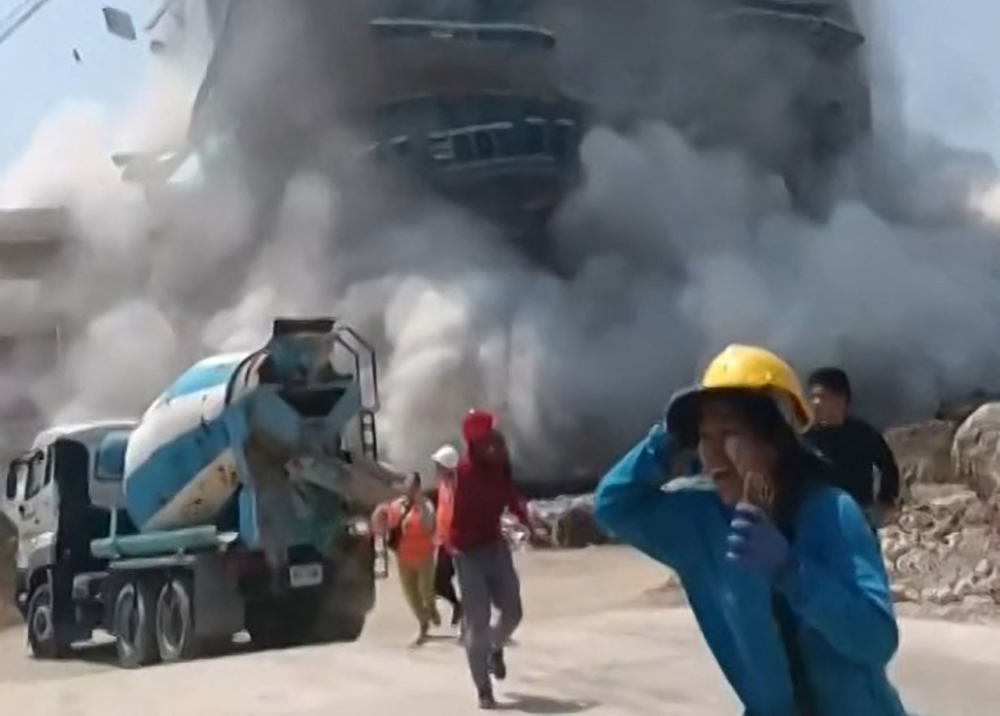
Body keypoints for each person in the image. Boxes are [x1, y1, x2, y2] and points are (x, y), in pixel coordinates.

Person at [594, 344, 908, 716]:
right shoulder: (701, 522)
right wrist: (667, 438)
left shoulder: (831, 513)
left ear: (776, 439)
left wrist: (791, 573)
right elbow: (613, 504)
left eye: (729, 433)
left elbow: (876, 641)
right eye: (703, 437)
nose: (713, 455)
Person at [450, 408, 536, 710]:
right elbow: (446, 507)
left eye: (495, 444)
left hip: (494, 547)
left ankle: (494, 649)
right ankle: (483, 690)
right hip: (466, 553)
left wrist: (525, 518)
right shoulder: (460, 472)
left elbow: (509, 494)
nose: (494, 449)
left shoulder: (499, 467)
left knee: (513, 612)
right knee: (477, 623)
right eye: (487, 443)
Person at [803, 367, 901, 529]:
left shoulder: (863, 434)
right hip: (817, 521)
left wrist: (886, 501)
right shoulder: (806, 439)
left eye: (823, 396)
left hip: (858, 518)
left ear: (842, 399)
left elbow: (887, 466)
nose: (816, 403)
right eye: (813, 397)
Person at [379, 473, 440, 646]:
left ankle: (431, 608)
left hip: (423, 556)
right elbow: (388, 524)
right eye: (408, 485)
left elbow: (430, 526)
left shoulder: (426, 505)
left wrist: (420, 508)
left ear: (418, 487)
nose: (410, 489)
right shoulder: (397, 505)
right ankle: (423, 623)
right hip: (403, 557)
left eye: (413, 485)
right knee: (411, 595)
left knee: (426, 590)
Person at [429, 444, 463, 631]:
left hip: (457, 540)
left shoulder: (459, 485)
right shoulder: (442, 483)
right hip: (444, 540)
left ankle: (471, 617)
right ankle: (459, 606)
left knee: (468, 580)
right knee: (439, 582)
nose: (436, 468)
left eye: (439, 465)